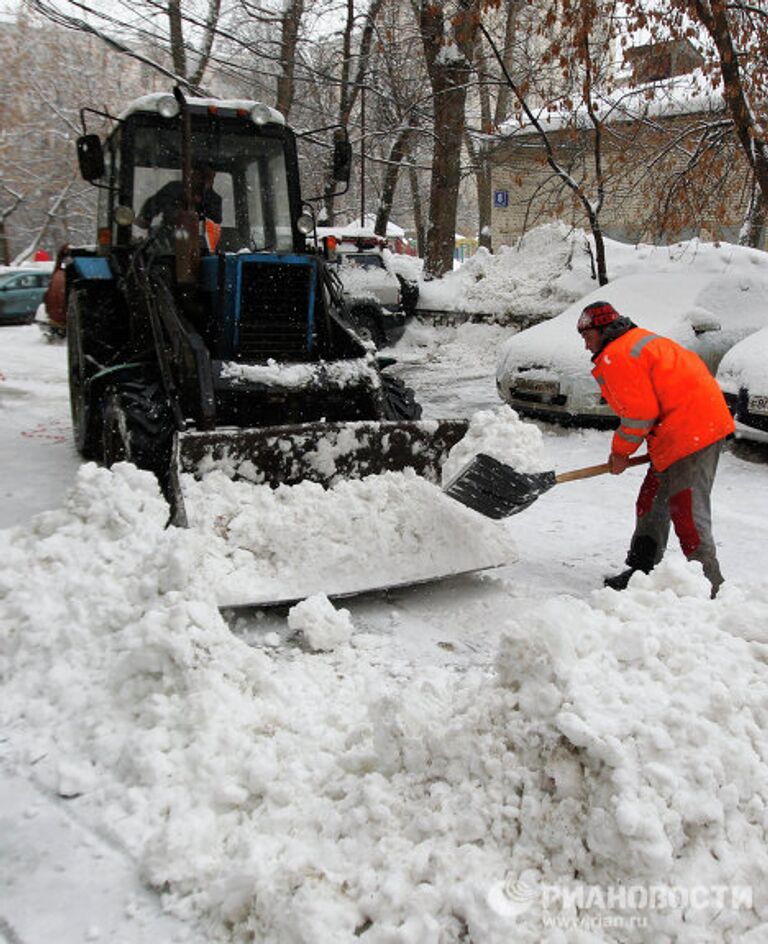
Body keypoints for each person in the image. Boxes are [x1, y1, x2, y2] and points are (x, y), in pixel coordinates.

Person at [578, 299, 735, 597]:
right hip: (679, 429)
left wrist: (620, 453)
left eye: (587, 337)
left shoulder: (620, 354)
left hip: (693, 432)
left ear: (603, 330)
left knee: (686, 510)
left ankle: (710, 587)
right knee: (652, 500)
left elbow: (639, 415)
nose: (586, 346)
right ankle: (642, 570)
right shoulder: (634, 342)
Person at [136, 163, 222, 251]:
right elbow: (150, 208)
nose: (202, 181)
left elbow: (215, 222)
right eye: (200, 175)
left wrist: (204, 198)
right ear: (192, 174)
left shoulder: (213, 199)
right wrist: (146, 218)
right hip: (166, 242)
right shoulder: (173, 189)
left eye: (207, 177)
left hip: (196, 244)